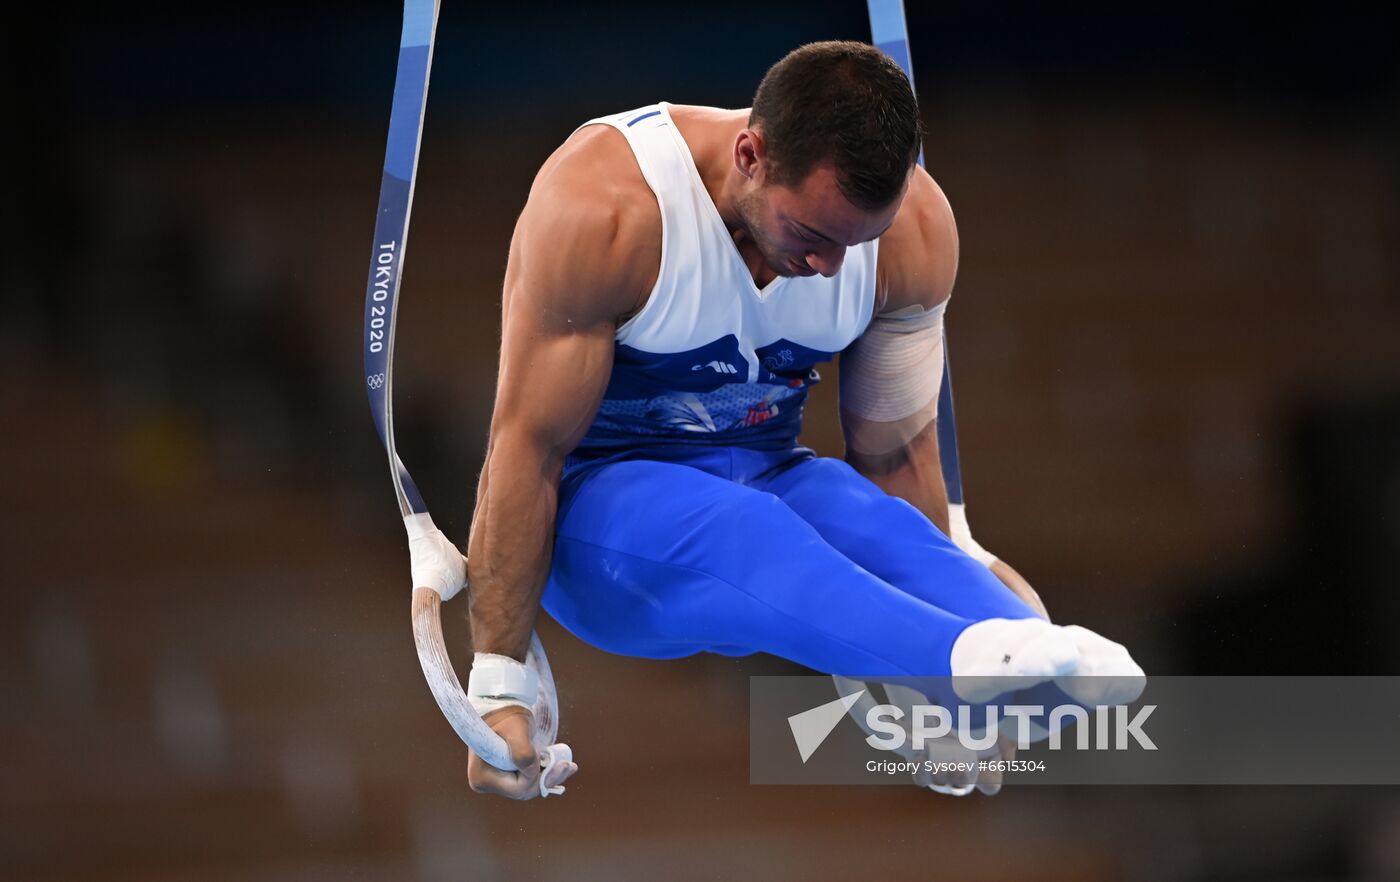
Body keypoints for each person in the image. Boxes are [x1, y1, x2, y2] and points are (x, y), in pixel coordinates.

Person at [457, 41, 1142, 799]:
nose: (831, 269)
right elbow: (527, 452)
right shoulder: (610, 207)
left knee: (861, 517)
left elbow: (895, 460)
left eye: (856, 242)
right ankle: (949, 663)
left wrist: (961, 595)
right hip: (608, 529)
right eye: (813, 237)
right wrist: (498, 688)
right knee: (753, 527)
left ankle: (994, 665)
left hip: (772, 477)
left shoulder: (913, 233)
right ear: (751, 154)